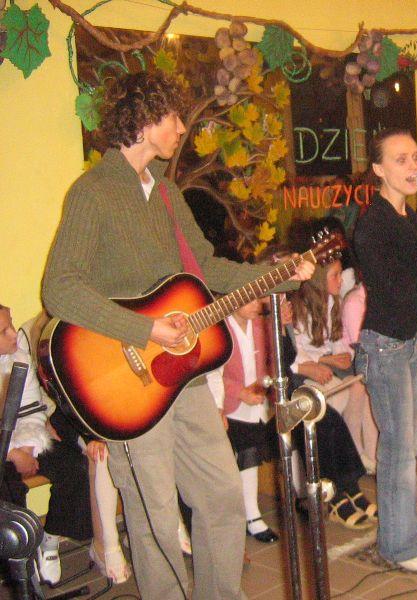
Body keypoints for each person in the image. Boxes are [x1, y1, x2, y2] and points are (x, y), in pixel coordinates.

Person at [40, 71, 312, 600]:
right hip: (125, 384)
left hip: (183, 380)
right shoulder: (92, 193)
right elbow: (60, 289)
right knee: (155, 520)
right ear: (144, 121)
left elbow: (206, 269)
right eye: (173, 117)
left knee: (221, 497)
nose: (182, 128)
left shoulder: (165, 193)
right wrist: (145, 328)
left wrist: (280, 272)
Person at [353, 128, 417, 571]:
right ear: (378, 169)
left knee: (406, 449)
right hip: (385, 347)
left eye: (415, 157)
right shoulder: (373, 223)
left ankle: (404, 531)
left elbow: (416, 276)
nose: (412, 167)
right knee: (397, 452)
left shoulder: (405, 215)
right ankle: (398, 546)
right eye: (400, 160)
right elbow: (394, 284)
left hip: (406, 342)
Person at [0, 305, 93, 586]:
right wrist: (11, 454)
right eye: (4, 331)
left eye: (11, 325)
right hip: (5, 450)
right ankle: (19, 559)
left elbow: (33, 410)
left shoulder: (20, 358)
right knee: (9, 488)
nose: (14, 333)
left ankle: (50, 537)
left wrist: (28, 447)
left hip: (24, 438)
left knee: (75, 467)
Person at [290, 259, 378, 473]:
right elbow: (298, 349)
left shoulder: (331, 301)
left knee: (364, 386)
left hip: (326, 359)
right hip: (308, 366)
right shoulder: (301, 306)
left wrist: (343, 354)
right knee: (348, 392)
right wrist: (326, 360)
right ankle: (352, 452)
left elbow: (336, 339)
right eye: (335, 275)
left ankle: (371, 452)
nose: (340, 280)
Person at [221, 298, 280, 544]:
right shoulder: (221, 328)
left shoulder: (259, 325)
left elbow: (266, 363)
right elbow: (214, 374)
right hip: (228, 405)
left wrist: (262, 386)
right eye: (249, 299)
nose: (256, 304)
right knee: (243, 454)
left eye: (258, 298)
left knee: (251, 454)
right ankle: (247, 515)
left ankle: (251, 513)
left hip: (255, 403)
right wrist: (239, 392)